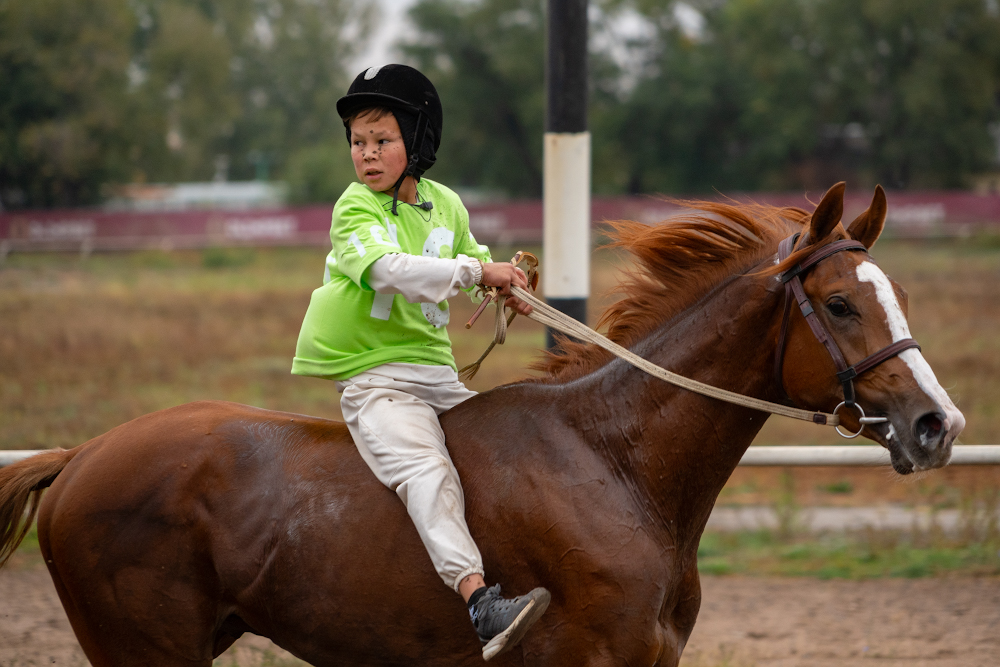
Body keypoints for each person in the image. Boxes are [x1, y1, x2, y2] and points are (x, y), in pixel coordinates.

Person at [291, 64, 550, 661]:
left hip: (438, 378)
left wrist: (508, 287)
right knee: (427, 472)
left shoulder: (447, 206)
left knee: (503, 452)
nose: (367, 154)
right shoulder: (353, 209)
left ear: (419, 140)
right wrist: (475, 273)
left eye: (382, 140)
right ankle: (480, 603)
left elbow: (476, 263)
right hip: (376, 384)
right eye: (359, 142)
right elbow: (390, 271)